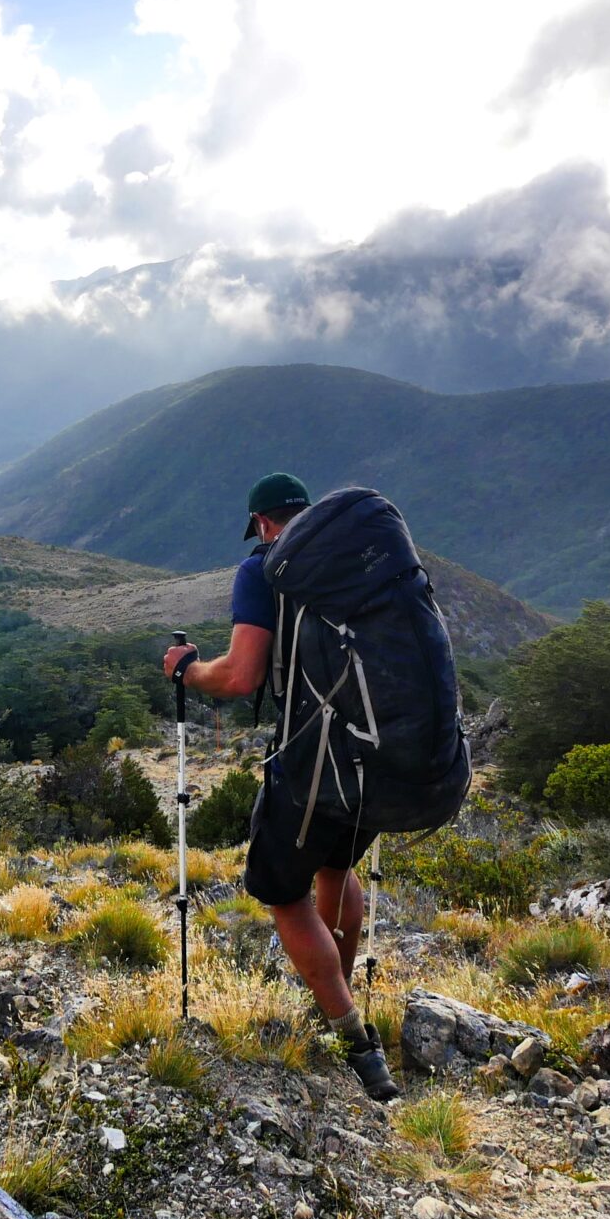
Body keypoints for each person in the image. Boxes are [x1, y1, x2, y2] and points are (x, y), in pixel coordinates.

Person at [161, 470, 402, 1102]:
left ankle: (352, 1040)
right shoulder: (359, 561)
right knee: (335, 870)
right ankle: (336, 996)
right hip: (374, 753)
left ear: (264, 523)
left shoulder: (264, 570)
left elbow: (242, 678)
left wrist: (188, 671)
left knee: (280, 891)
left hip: (312, 759)